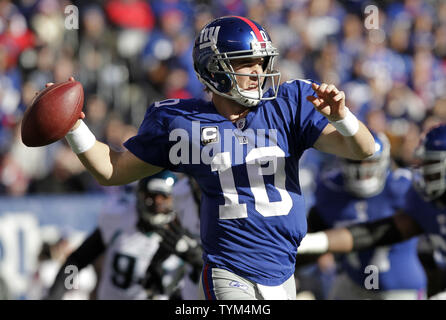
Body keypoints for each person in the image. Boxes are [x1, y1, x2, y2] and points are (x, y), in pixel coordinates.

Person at [42, 16, 375, 300]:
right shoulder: (182, 124)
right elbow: (111, 169)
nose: (259, 72)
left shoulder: (287, 106)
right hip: (230, 269)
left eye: (262, 62)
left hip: (283, 270)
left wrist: (342, 117)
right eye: (247, 62)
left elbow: (363, 149)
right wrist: (73, 126)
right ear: (216, 70)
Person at [298, 124, 446, 298]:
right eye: (356, 159)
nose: (363, 168)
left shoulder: (402, 187)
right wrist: (310, 243)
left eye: (431, 164)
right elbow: (375, 233)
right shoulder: (331, 189)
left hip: (398, 286)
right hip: (353, 280)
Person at [45, 171, 202, 300]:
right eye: (151, 196)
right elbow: (76, 262)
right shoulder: (119, 218)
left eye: (164, 198)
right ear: (139, 196)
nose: (156, 204)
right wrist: (57, 294)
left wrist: (195, 257)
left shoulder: (186, 230)